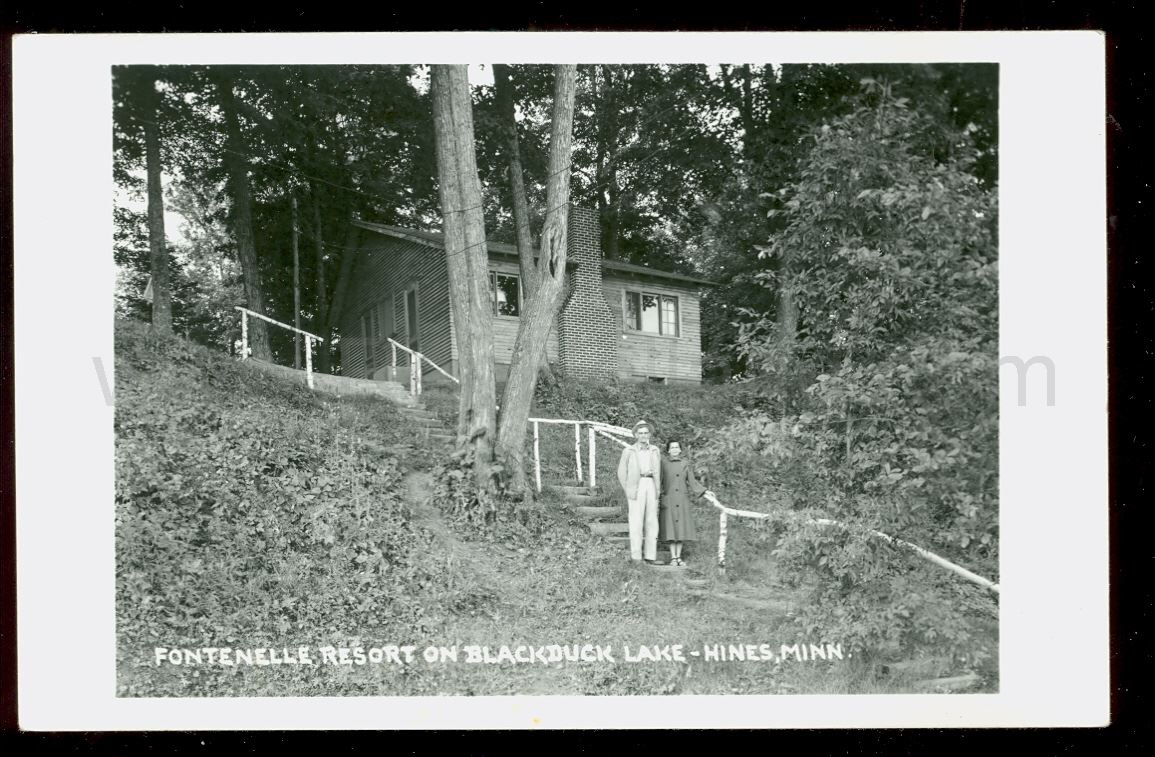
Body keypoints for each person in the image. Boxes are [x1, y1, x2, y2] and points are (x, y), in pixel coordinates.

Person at [658, 440, 714, 567]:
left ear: (680, 450)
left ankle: (679, 557)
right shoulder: (663, 463)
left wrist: (705, 492)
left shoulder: (685, 464)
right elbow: (658, 481)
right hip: (669, 499)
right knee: (671, 529)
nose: (674, 449)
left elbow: (692, 481)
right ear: (668, 450)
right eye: (672, 447)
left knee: (681, 529)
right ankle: (673, 557)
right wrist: (657, 495)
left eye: (676, 447)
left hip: (682, 499)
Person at [617, 420, 662, 564]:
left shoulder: (655, 450)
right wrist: (628, 488)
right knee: (636, 521)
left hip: (651, 485)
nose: (643, 435)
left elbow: (658, 471)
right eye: (640, 433)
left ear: (649, 434)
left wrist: (657, 488)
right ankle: (636, 556)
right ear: (636, 435)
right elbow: (621, 472)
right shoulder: (629, 451)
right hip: (636, 486)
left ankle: (650, 556)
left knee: (652, 521)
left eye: (646, 433)